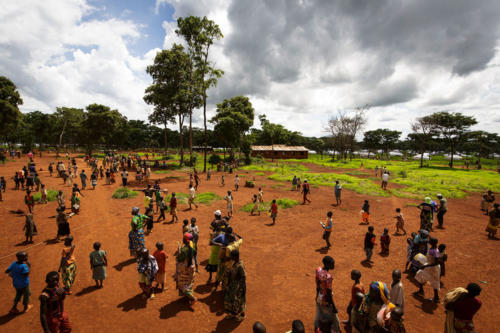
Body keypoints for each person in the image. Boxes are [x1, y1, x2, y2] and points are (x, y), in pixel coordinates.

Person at [314, 256, 340, 332]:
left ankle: (316, 327)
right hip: (326, 300)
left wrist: (316, 296)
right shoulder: (328, 277)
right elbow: (328, 293)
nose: (334, 266)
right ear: (327, 264)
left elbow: (317, 285)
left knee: (319, 314)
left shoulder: (318, 270)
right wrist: (334, 307)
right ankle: (337, 330)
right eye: (332, 264)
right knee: (334, 318)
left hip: (319, 297)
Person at [414, 237, 441, 302]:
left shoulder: (435, 251)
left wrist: (426, 265)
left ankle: (436, 298)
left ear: (432, 243)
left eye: (430, 241)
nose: (429, 241)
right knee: (419, 274)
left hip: (433, 269)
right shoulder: (432, 248)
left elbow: (436, 263)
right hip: (429, 266)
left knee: (434, 282)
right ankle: (421, 290)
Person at [224, 249, 246, 321]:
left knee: (239, 301)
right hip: (233, 285)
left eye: (231, 256)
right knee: (232, 300)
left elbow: (243, 277)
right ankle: (233, 314)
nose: (230, 257)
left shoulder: (240, 265)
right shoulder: (234, 263)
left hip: (238, 286)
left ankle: (242, 315)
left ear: (235, 257)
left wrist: (240, 288)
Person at [175, 233, 197, 305]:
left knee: (182, 284)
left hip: (184, 268)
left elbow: (179, 259)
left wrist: (179, 251)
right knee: (189, 282)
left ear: (185, 240)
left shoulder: (183, 250)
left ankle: (192, 298)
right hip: (192, 266)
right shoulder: (193, 246)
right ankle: (187, 296)